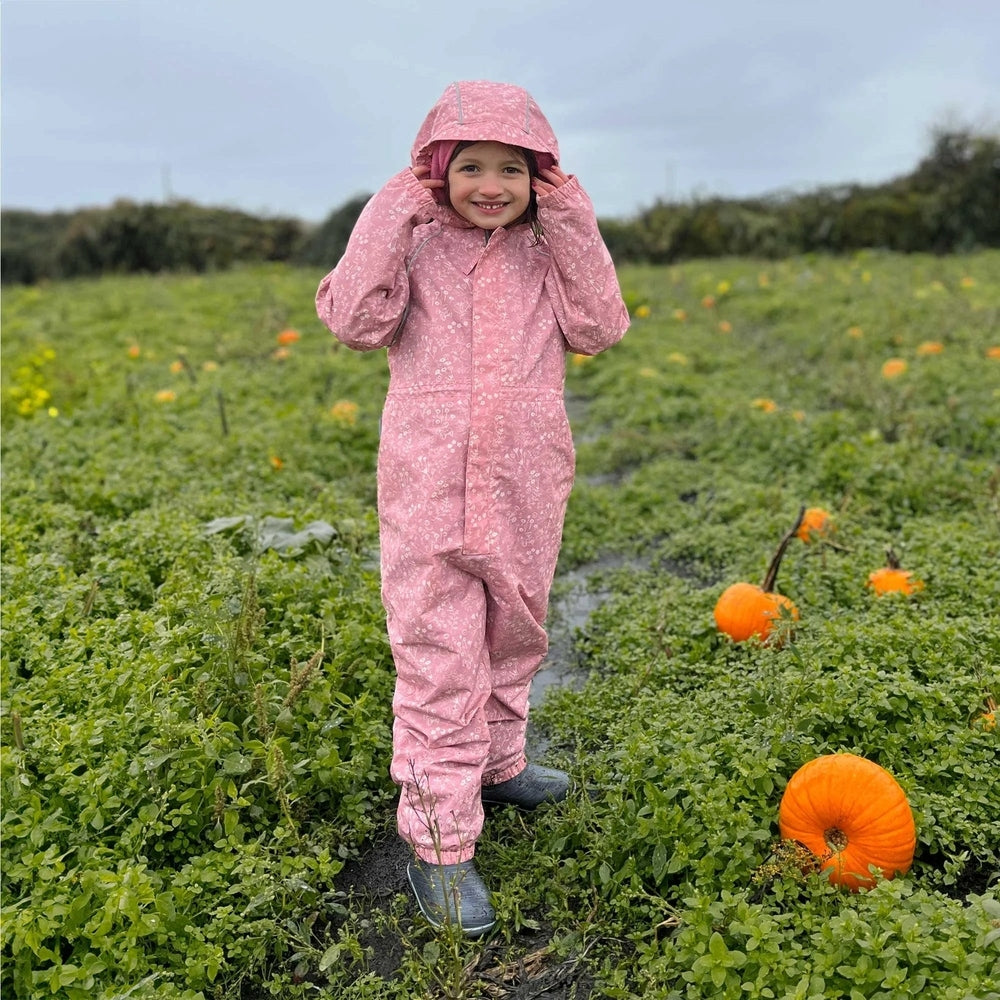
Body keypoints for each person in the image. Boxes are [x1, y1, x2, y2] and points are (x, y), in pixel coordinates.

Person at [316, 80, 629, 937]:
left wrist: (571, 219)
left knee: (513, 630)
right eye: (470, 168)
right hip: (429, 487)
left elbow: (600, 327)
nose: (491, 186)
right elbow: (351, 319)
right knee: (439, 655)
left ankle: (499, 762)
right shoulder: (414, 248)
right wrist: (395, 206)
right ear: (435, 171)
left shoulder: (546, 253)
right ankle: (442, 843)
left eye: (513, 170)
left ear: (542, 178)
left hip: (527, 482)